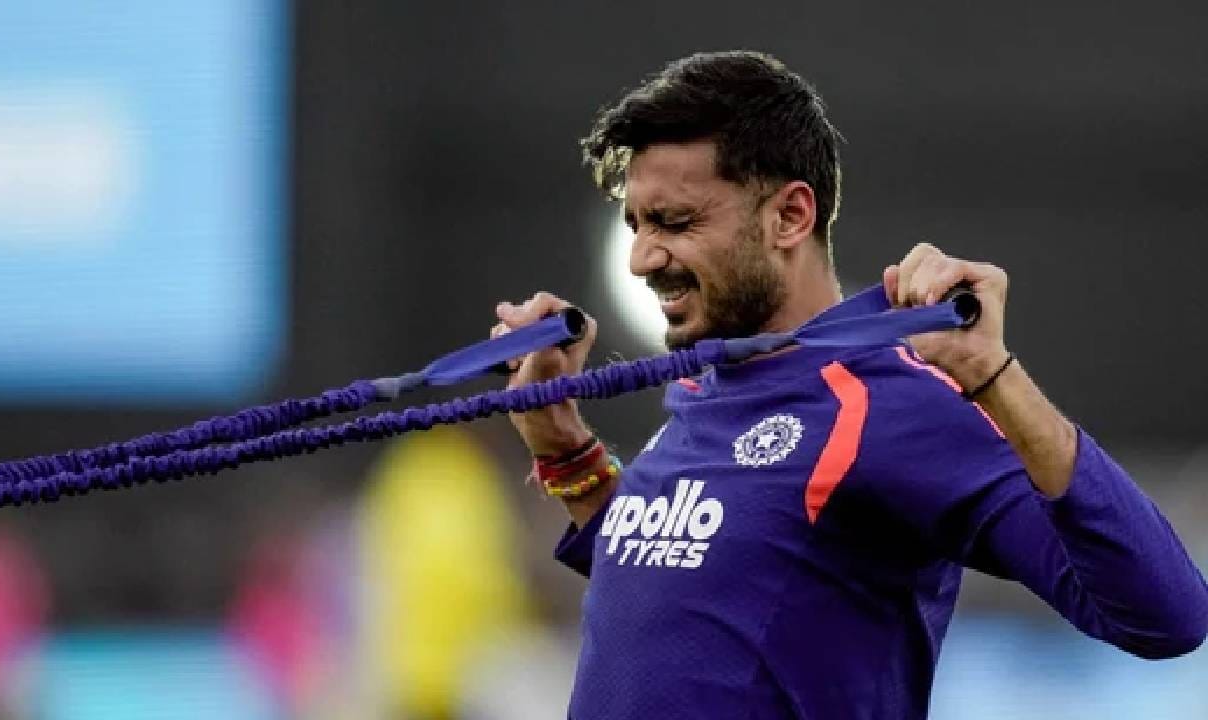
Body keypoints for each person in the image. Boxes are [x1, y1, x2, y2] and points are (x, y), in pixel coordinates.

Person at [490, 51, 1208, 719]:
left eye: (674, 222)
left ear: (790, 216)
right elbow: (679, 591)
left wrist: (994, 376)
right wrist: (562, 446)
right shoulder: (712, 388)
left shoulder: (886, 402)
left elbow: (1167, 615)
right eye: (637, 225)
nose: (643, 258)